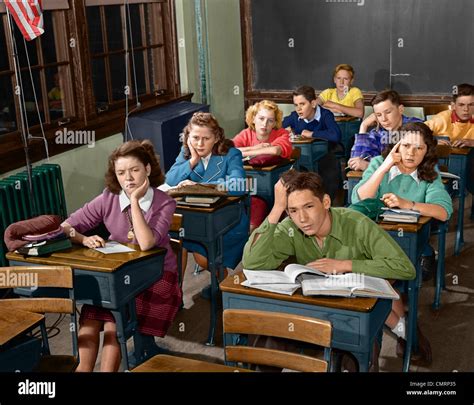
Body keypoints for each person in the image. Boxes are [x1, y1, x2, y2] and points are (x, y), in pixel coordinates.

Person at [242, 170, 431, 370]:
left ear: (325, 202)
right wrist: (277, 208)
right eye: (293, 210)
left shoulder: (357, 224)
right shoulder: (291, 228)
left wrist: (345, 265)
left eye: (308, 206)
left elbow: (405, 268)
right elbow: (252, 262)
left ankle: (407, 333)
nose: (303, 218)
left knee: (353, 356)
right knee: (268, 342)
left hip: (356, 310)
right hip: (316, 308)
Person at [62, 140, 182, 372]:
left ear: (147, 169)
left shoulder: (164, 202)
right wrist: (84, 239)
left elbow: (146, 243)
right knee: (93, 310)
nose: (128, 179)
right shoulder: (108, 197)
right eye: (121, 173)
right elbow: (67, 226)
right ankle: (82, 370)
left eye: (134, 170)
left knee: (111, 317)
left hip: (157, 275)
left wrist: (134, 201)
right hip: (119, 271)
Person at [352, 122, 453, 282]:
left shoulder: (430, 172)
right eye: (405, 145)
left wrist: (408, 204)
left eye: (419, 148)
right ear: (396, 146)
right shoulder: (379, 162)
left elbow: (443, 212)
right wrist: (385, 167)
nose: (411, 153)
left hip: (409, 238)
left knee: (385, 274)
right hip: (373, 235)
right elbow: (359, 199)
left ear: (427, 152)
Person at [166, 112, 249, 277]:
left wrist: (199, 186)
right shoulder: (186, 153)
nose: (200, 144)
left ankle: (222, 288)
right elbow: (170, 179)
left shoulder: (231, 154)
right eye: (195, 138)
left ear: (217, 137)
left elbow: (238, 184)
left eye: (206, 138)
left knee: (203, 258)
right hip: (195, 217)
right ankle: (177, 296)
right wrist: (192, 161)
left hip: (227, 218)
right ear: (188, 137)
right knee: (175, 242)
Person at [233, 100, 293, 231]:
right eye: (261, 118)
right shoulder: (246, 133)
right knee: (249, 221)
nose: (265, 124)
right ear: (253, 118)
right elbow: (227, 151)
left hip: (280, 186)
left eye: (270, 120)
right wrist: (258, 148)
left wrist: (245, 152)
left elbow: (274, 151)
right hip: (251, 186)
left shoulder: (282, 133)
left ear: (275, 123)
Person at [282, 85, 342, 201]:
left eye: (302, 104)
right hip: (303, 156)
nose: (298, 109)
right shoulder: (295, 116)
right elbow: (277, 127)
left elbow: (335, 135)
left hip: (325, 154)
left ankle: (326, 202)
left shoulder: (325, 115)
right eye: (296, 105)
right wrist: (285, 133)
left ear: (313, 104)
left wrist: (312, 133)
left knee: (329, 170)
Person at [348, 90, 422, 171]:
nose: (384, 119)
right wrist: (363, 126)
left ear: (400, 109)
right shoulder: (377, 133)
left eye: (388, 112)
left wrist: (368, 166)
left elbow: (410, 166)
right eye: (378, 115)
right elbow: (355, 163)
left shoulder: (416, 127)